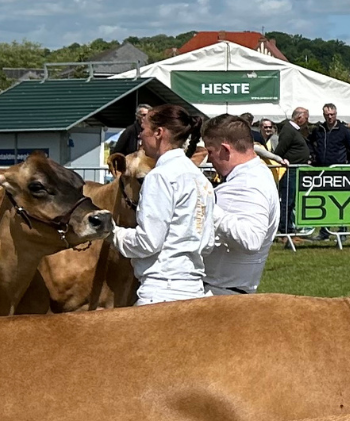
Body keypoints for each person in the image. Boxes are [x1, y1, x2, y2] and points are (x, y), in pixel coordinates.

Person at [117, 105, 214, 304]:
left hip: (161, 290)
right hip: (193, 288)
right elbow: (207, 243)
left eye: (143, 129)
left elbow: (148, 242)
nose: (140, 136)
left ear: (159, 133)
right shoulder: (200, 178)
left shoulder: (160, 177)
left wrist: (113, 233)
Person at [197, 115, 277, 296]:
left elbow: (251, 239)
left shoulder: (248, 183)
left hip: (221, 297)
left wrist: (206, 205)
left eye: (210, 152)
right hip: (225, 291)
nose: (209, 160)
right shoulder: (257, 174)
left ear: (225, 150)